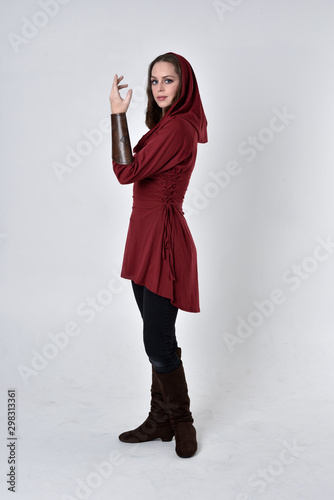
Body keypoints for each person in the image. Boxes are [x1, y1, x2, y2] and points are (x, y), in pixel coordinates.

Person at [109, 52, 207, 458]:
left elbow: (125, 172)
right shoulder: (166, 125)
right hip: (143, 238)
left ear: (184, 85)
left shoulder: (178, 129)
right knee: (158, 337)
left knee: (157, 340)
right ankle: (159, 418)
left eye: (168, 80)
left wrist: (117, 116)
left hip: (164, 243)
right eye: (154, 81)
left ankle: (182, 422)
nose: (160, 88)